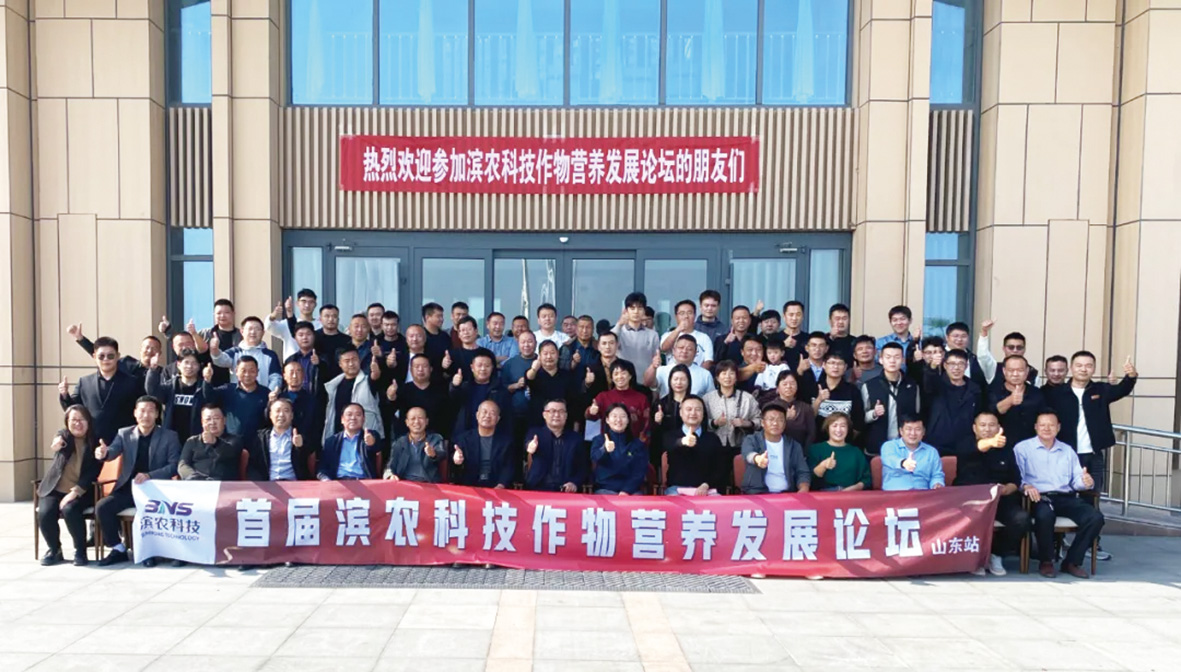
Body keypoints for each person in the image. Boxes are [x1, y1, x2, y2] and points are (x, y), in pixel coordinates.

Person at [1046, 351, 1136, 562]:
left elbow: (1122, 390)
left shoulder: (1100, 390)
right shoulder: (1058, 393)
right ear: (1071, 368)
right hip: (1065, 455)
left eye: (1088, 365)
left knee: (1091, 499)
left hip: (1093, 455)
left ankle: (1091, 543)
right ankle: (1058, 543)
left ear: (1094, 369)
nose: (1083, 369)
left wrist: (1131, 376)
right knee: (1062, 498)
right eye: (1079, 365)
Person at [1015, 410, 1105, 579]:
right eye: (1042, 425)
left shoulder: (1067, 450)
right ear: (1035, 427)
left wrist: (1086, 482)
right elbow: (1016, 477)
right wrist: (1025, 486)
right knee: (1045, 515)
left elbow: (1077, 480)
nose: (1046, 428)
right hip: (1038, 497)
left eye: (1051, 425)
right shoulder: (1023, 448)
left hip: (1065, 496)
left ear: (1058, 428)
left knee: (1095, 517)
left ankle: (1072, 562)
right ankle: (1046, 561)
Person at [94, 396, 181, 566]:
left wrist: (150, 475)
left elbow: (174, 465)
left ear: (157, 414)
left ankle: (149, 551)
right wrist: (104, 453)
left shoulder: (169, 436)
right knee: (102, 507)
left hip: (155, 490)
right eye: (142, 411)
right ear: (135, 413)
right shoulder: (124, 433)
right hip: (129, 488)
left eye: (150, 411)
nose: (146, 415)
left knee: (148, 513)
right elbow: (112, 451)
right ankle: (118, 548)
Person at [966, 411, 1030, 577]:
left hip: (1001, 499)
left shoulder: (1007, 450)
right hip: (972, 500)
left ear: (999, 427)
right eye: (983, 425)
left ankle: (996, 554)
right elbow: (978, 447)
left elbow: (1016, 481)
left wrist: (1006, 489)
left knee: (1021, 519)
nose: (987, 429)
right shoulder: (965, 443)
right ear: (974, 428)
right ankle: (975, 557)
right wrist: (991, 442)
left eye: (991, 425)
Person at [38, 406, 101, 566]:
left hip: (82, 491)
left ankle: (80, 551)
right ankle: (54, 550)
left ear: (88, 421)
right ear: (67, 422)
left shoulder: (95, 441)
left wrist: (75, 492)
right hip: (55, 488)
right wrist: (56, 442)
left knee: (70, 509)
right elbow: (58, 438)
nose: (77, 424)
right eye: (73, 420)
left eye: (81, 420)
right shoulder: (64, 437)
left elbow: (93, 472)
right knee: (45, 512)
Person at [921, 349, 988, 484]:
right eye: (952, 364)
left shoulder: (975, 389)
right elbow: (928, 382)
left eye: (960, 364)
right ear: (945, 365)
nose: (956, 368)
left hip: (965, 444)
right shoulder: (937, 385)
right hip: (937, 443)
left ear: (966, 366)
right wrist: (932, 367)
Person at [59, 336, 140, 444]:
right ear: (94, 356)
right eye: (101, 356)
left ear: (118, 356)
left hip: (123, 443)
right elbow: (74, 409)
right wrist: (64, 395)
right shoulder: (84, 382)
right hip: (91, 443)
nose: (106, 359)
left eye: (110, 356)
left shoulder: (132, 382)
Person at [162, 298, 241, 385]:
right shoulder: (204, 334)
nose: (222, 316)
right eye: (218, 313)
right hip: (209, 381)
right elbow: (184, 341)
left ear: (233, 313)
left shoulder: (242, 336)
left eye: (226, 312)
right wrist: (168, 331)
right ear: (214, 315)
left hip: (235, 381)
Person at [860, 342, 920, 455]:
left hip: (905, 446)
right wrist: (874, 413)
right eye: (888, 357)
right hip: (877, 446)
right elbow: (861, 418)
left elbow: (916, 414)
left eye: (897, 357)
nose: (892, 361)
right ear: (881, 360)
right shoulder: (869, 386)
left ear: (903, 360)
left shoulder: (912, 386)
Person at [739, 403, 812, 494]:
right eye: (771, 419)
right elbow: (748, 454)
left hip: (787, 494)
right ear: (762, 423)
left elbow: (802, 471)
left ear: (785, 424)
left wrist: (804, 488)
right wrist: (758, 459)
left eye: (780, 420)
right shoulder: (752, 439)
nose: (775, 423)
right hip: (757, 493)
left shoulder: (794, 445)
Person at [201, 356, 270, 452]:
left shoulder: (266, 393)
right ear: (236, 371)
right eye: (243, 371)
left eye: (252, 371)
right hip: (230, 444)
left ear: (257, 372)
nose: (247, 374)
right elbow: (209, 398)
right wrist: (207, 380)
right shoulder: (228, 390)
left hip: (257, 445)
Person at [662, 395, 728, 496]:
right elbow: (669, 445)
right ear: (681, 413)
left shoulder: (712, 438)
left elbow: (721, 467)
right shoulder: (670, 436)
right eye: (689, 409)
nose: (693, 413)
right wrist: (682, 442)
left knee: (719, 503)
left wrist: (707, 484)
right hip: (677, 489)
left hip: (706, 489)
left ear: (703, 413)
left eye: (698, 409)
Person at [67, 324, 159, 393]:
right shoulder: (126, 362)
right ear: (141, 349)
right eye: (147, 347)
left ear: (159, 353)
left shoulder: (161, 373)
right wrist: (81, 339)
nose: (150, 351)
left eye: (154, 348)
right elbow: (103, 356)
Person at [322, 347, 386, 444]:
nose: (351, 364)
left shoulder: (367, 382)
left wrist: (376, 372)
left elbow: (374, 379)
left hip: (365, 440)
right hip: (339, 440)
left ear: (359, 360)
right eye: (347, 361)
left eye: (354, 359)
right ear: (340, 364)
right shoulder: (334, 385)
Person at [145, 348, 206, 443]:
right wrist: (153, 370)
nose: (189, 366)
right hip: (172, 438)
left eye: (194, 363)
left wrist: (207, 381)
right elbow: (153, 391)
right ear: (178, 364)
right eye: (186, 362)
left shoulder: (203, 388)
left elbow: (211, 399)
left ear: (199, 366)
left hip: (196, 439)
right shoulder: (170, 386)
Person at [524, 399, 586, 493]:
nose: (557, 415)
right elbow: (528, 444)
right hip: (538, 488)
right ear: (544, 415)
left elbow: (583, 468)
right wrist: (530, 447)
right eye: (552, 411)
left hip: (566, 490)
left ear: (566, 416)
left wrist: (574, 483)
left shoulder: (576, 439)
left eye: (561, 411)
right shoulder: (535, 433)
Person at [451, 400, 515, 488]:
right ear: (477, 415)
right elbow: (455, 471)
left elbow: (508, 468)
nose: (487, 416)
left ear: (498, 419)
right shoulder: (463, 439)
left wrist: (501, 485)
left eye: (492, 413)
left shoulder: (506, 442)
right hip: (470, 488)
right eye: (484, 412)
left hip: (497, 488)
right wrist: (457, 461)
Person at [702, 360, 762, 456]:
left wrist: (746, 423)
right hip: (714, 446)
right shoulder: (707, 399)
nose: (727, 377)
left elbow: (759, 421)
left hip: (741, 446)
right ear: (717, 378)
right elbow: (701, 422)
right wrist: (715, 422)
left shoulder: (747, 398)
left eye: (731, 373)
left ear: (736, 378)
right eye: (724, 373)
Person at [209, 316, 283, 391]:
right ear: (242, 331)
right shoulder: (235, 352)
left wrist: (269, 393)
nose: (253, 332)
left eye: (257, 329)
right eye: (250, 329)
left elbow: (276, 378)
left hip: (263, 397)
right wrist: (214, 349)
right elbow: (220, 360)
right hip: (238, 396)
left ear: (263, 332)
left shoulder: (270, 355)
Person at [450, 348, 512, 436]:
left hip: (492, 438)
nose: (483, 369)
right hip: (464, 436)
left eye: (487, 366)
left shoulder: (500, 390)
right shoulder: (464, 387)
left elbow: (507, 419)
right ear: (472, 367)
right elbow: (454, 397)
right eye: (479, 365)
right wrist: (455, 386)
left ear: (492, 367)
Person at [387, 354, 451, 439]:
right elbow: (391, 410)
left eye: (424, 366)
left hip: (434, 439)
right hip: (407, 440)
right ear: (410, 370)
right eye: (416, 366)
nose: (420, 369)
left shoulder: (440, 390)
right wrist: (391, 397)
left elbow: (447, 418)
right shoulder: (402, 390)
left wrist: (445, 439)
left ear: (431, 369)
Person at [586, 359, 650, 441]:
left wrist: (641, 445)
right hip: (608, 443)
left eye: (623, 373)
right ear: (612, 378)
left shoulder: (641, 398)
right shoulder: (603, 396)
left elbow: (647, 425)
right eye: (616, 374)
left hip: (633, 445)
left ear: (630, 376)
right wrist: (591, 411)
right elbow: (590, 417)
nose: (620, 377)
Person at [591, 403, 649, 495]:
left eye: (623, 416)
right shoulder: (599, 440)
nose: (618, 420)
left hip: (631, 491)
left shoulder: (637, 444)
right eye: (614, 416)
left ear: (628, 420)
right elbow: (594, 458)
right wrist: (604, 449)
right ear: (607, 420)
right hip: (605, 489)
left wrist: (626, 491)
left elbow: (639, 472)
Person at [179, 402, 243, 481]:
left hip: (223, 484)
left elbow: (230, 453)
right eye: (208, 419)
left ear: (224, 420)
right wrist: (196, 478)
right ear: (202, 422)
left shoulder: (235, 440)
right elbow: (183, 465)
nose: (212, 422)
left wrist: (215, 442)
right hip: (197, 483)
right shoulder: (192, 441)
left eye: (216, 418)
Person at [806, 413, 871, 491]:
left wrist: (853, 489)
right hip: (824, 494)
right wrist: (823, 466)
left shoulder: (856, 452)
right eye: (834, 426)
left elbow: (867, 479)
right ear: (827, 428)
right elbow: (808, 479)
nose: (838, 430)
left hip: (851, 494)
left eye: (843, 426)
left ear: (848, 429)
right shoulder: (816, 449)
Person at [880, 416, 945, 491]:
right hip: (895, 494)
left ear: (923, 432)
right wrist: (903, 463)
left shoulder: (931, 451)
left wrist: (937, 484)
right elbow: (890, 459)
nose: (913, 433)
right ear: (901, 431)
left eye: (917, 429)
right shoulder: (889, 446)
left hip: (922, 494)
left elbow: (937, 475)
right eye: (909, 429)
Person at [318, 403, 380, 480]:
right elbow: (322, 469)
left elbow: (376, 448)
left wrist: (371, 443)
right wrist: (326, 480)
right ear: (342, 419)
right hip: (339, 481)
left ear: (363, 419)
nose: (353, 418)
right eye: (349, 415)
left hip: (364, 481)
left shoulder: (370, 436)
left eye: (358, 415)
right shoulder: (331, 441)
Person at [384, 407, 446, 483]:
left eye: (420, 418)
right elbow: (390, 466)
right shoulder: (400, 442)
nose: (416, 422)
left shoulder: (435, 438)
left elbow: (442, 454)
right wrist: (390, 476)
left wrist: (433, 454)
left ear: (427, 421)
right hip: (405, 484)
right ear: (407, 422)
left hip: (429, 484)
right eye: (413, 419)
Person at [992, 355, 1045, 445]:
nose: (1015, 374)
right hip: (1001, 445)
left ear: (1027, 371)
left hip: (1031, 445)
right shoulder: (992, 391)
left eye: (1020, 370)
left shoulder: (1037, 393)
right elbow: (990, 412)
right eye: (1011, 370)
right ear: (1004, 371)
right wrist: (1010, 401)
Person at [524, 341, 578, 430]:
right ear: (539, 356)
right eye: (545, 354)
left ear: (558, 355)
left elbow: (573, 403)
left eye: (552, 353)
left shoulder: (567, 375)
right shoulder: (535, 374)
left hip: (563, 423)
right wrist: (534, 369)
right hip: (538, 422)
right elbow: (528, 378)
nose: (549, 357)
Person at [251, 398, 307, 481]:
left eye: (286, 411)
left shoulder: (300, 436)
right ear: (270, 415)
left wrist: (300, 448)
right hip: (269, 484)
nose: (281, 415)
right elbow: (253, 466)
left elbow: (306, 467)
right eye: (277, 411)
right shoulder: (261, 438)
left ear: (292, 415)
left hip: (294, 484)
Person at [811, 352, 864, 440]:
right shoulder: (813, 388)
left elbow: (858, 421)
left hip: (844, 442)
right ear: (824, 365)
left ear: (845, 367)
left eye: (840, 364)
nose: (835, 367)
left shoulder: (852, 391)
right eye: (832, 363)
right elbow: (807, 418)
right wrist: (819, 400)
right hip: (817, 442)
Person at [763, 371, 816, 449]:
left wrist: (804, 452)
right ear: (777, 388)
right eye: (784, 384)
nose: (788, 386)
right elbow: (766, 432)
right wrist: (785, 419)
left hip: (800, 450)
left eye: (792, 383)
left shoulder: (806, 408)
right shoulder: (770, 407)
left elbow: (811, 433)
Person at [651, 363, 691, 467]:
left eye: (683, 379)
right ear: (670, 381)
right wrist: (657, 422)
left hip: (690, 448)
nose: (679, 382)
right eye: (675, 379)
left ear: (688, 381)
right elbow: (654, 433)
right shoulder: (661, 404)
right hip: (666, 449)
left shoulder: (695, 402)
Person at [648, 334, 714, 396]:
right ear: (674, 350)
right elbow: (649, 383)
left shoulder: (705, 374)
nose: (684, 351)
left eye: (689, 349)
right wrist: (653, 367)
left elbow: (711, 398)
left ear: (695, 353)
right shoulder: (662, 370)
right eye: (681, 347)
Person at [659, 300, 715, 369]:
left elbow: (708, 361)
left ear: (695, 316)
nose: (686, 316)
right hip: (673, 374)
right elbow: (664, 348)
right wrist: (678, 330)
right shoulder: (668, 335)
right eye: (682, 313)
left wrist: (699, 373)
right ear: (676, 317)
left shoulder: (704, 337)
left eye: (689, 313)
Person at [613, 292, 660, 368]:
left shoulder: (653, 335)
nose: (636, 312)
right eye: (632, 308)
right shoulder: (620, 332)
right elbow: (609, 340)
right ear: (626, 311)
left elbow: (655, 359)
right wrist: (619, 324)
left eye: (640, 308)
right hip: (624, 374)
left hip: (646, 374)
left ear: (644, 311)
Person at [944, 320, 998, 384]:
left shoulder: (973, 358)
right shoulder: (940, 356)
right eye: (956, 336)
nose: (959, 339)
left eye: (963, 336)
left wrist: (984, 332)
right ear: (947, 337)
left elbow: (984, 356)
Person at [312, 304, 351, 381]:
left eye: (334, 316)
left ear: (338, 319)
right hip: (317, 380)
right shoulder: (313, 337)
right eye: (327, 316)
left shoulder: (347, 340)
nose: (331, 319)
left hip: (340, 380)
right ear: (320, 319)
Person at [445, 316, 484, 381]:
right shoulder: (452, 355)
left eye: (469, 329)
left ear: (476, 331)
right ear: (459, 334)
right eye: (463, 330)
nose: (466, 333)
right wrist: (444, 366)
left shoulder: (486, 354)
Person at [421, 302, 451, 369]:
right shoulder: (420, 336)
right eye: (438, 316)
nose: (441, 319)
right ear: (427, 317)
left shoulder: (445, 337)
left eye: (442, 316)